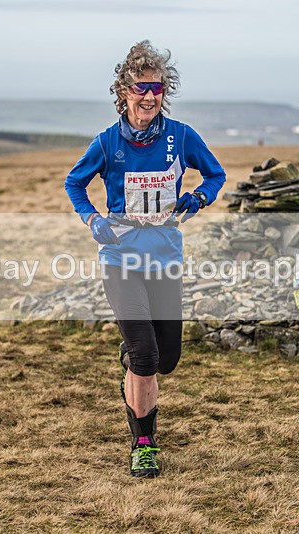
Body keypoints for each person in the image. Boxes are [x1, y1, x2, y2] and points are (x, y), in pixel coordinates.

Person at [64, 41, 226, 477]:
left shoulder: (182, 137)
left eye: (157, 86)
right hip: (120, 259)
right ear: (124, 91)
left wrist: (199, 197)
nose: (149, 95)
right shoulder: (107, 142)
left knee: (166, 358)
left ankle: (134, 361)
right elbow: (74, 183)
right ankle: (143, 443)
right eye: (141, 87)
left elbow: (216, 174)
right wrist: (92, 219)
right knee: (145, 354)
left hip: (165, 257)